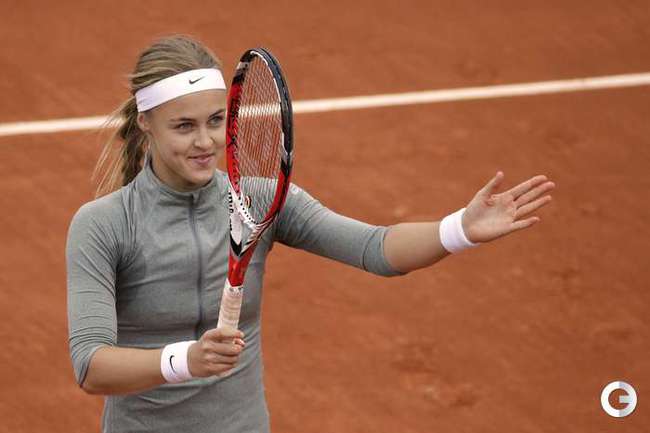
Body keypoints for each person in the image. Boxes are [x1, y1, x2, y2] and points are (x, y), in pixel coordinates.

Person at [66, 35, 555, 433]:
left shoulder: (261, 199)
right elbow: (91, 365)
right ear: (145, 123)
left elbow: (375, 248)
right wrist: (186, 361)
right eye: (183, 126)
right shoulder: (104, 225)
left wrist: (459, 229)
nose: (205, 141)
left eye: (216, 121)